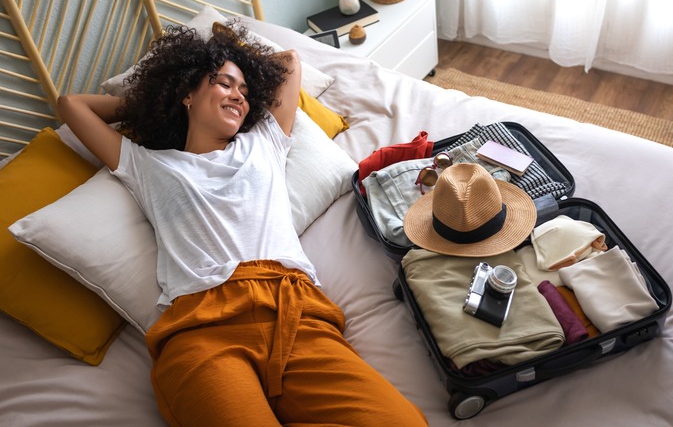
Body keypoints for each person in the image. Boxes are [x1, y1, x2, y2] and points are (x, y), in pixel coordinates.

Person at [58, 23, 427, 427]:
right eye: (224, 84)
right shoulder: (147, 164)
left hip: (295, 311)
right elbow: (71, 104)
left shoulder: (264, 139)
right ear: (186, 93)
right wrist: (154, 102)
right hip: (203, 327)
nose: (239, 96)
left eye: (246, 92)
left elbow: (289, 61)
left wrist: (233, 74)